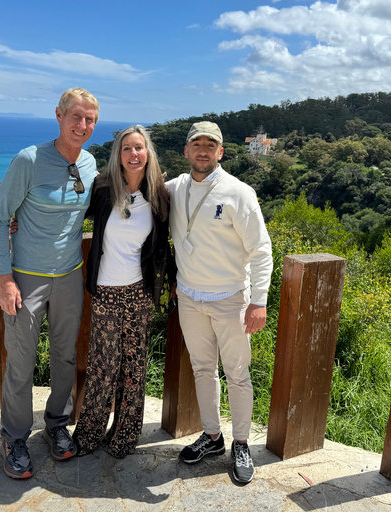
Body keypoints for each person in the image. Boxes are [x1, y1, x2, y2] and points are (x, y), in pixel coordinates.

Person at [0, 88, 99, 479]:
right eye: (76, 117)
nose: (82, 125)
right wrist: (5, 280)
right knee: (22, 360)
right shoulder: (29, 160)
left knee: (65, 355)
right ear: (58, 115)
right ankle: (15, 436)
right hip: (26, 278)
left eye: (90, 120)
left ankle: (56, 424)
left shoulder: (89, 163)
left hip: (70, 274)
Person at [167, 121, 273, 484]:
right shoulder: (174, 189)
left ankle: (241, 443)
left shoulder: (239, 192)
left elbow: (261, 249)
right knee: (202, 369)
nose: (202, 150)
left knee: (237, 375)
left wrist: (258, 301)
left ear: (221, 152)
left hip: (231, 299)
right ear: (186, 151)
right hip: (189, 297)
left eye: (210, 145)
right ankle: (213, 437)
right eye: (196, 144)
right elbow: (131, 199)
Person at [72, 125, 172, 458]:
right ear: (118, 154)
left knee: (135, 366)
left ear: (148, 153)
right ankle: (88, 434)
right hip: (105, 289)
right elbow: (67, 215)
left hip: (140, 291)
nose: (133, 154)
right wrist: (20, 220)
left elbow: (165, 245)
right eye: (126, 148)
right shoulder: (102, 190)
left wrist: (169, 283)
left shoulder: (159, 195)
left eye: (139, 148)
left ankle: (125, 435)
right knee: (103, 365)